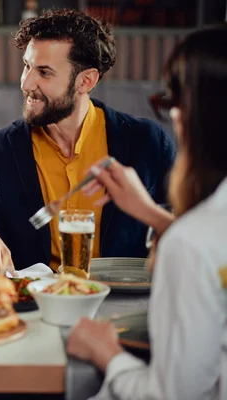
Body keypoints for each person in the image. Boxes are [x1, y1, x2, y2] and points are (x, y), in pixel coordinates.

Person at [67, 25, 227, 400]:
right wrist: (154, 215)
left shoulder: (191, 244)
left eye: (173, 102)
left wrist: (106, 352)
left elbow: (170, 395)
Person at [0, 9, 176, 274]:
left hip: (123, 303)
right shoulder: (0, 150)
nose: (27, 83)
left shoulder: (148, 143)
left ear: (85, 81)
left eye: (44, 72)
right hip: (39, 305)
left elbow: (185, 233)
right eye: (27, 66)